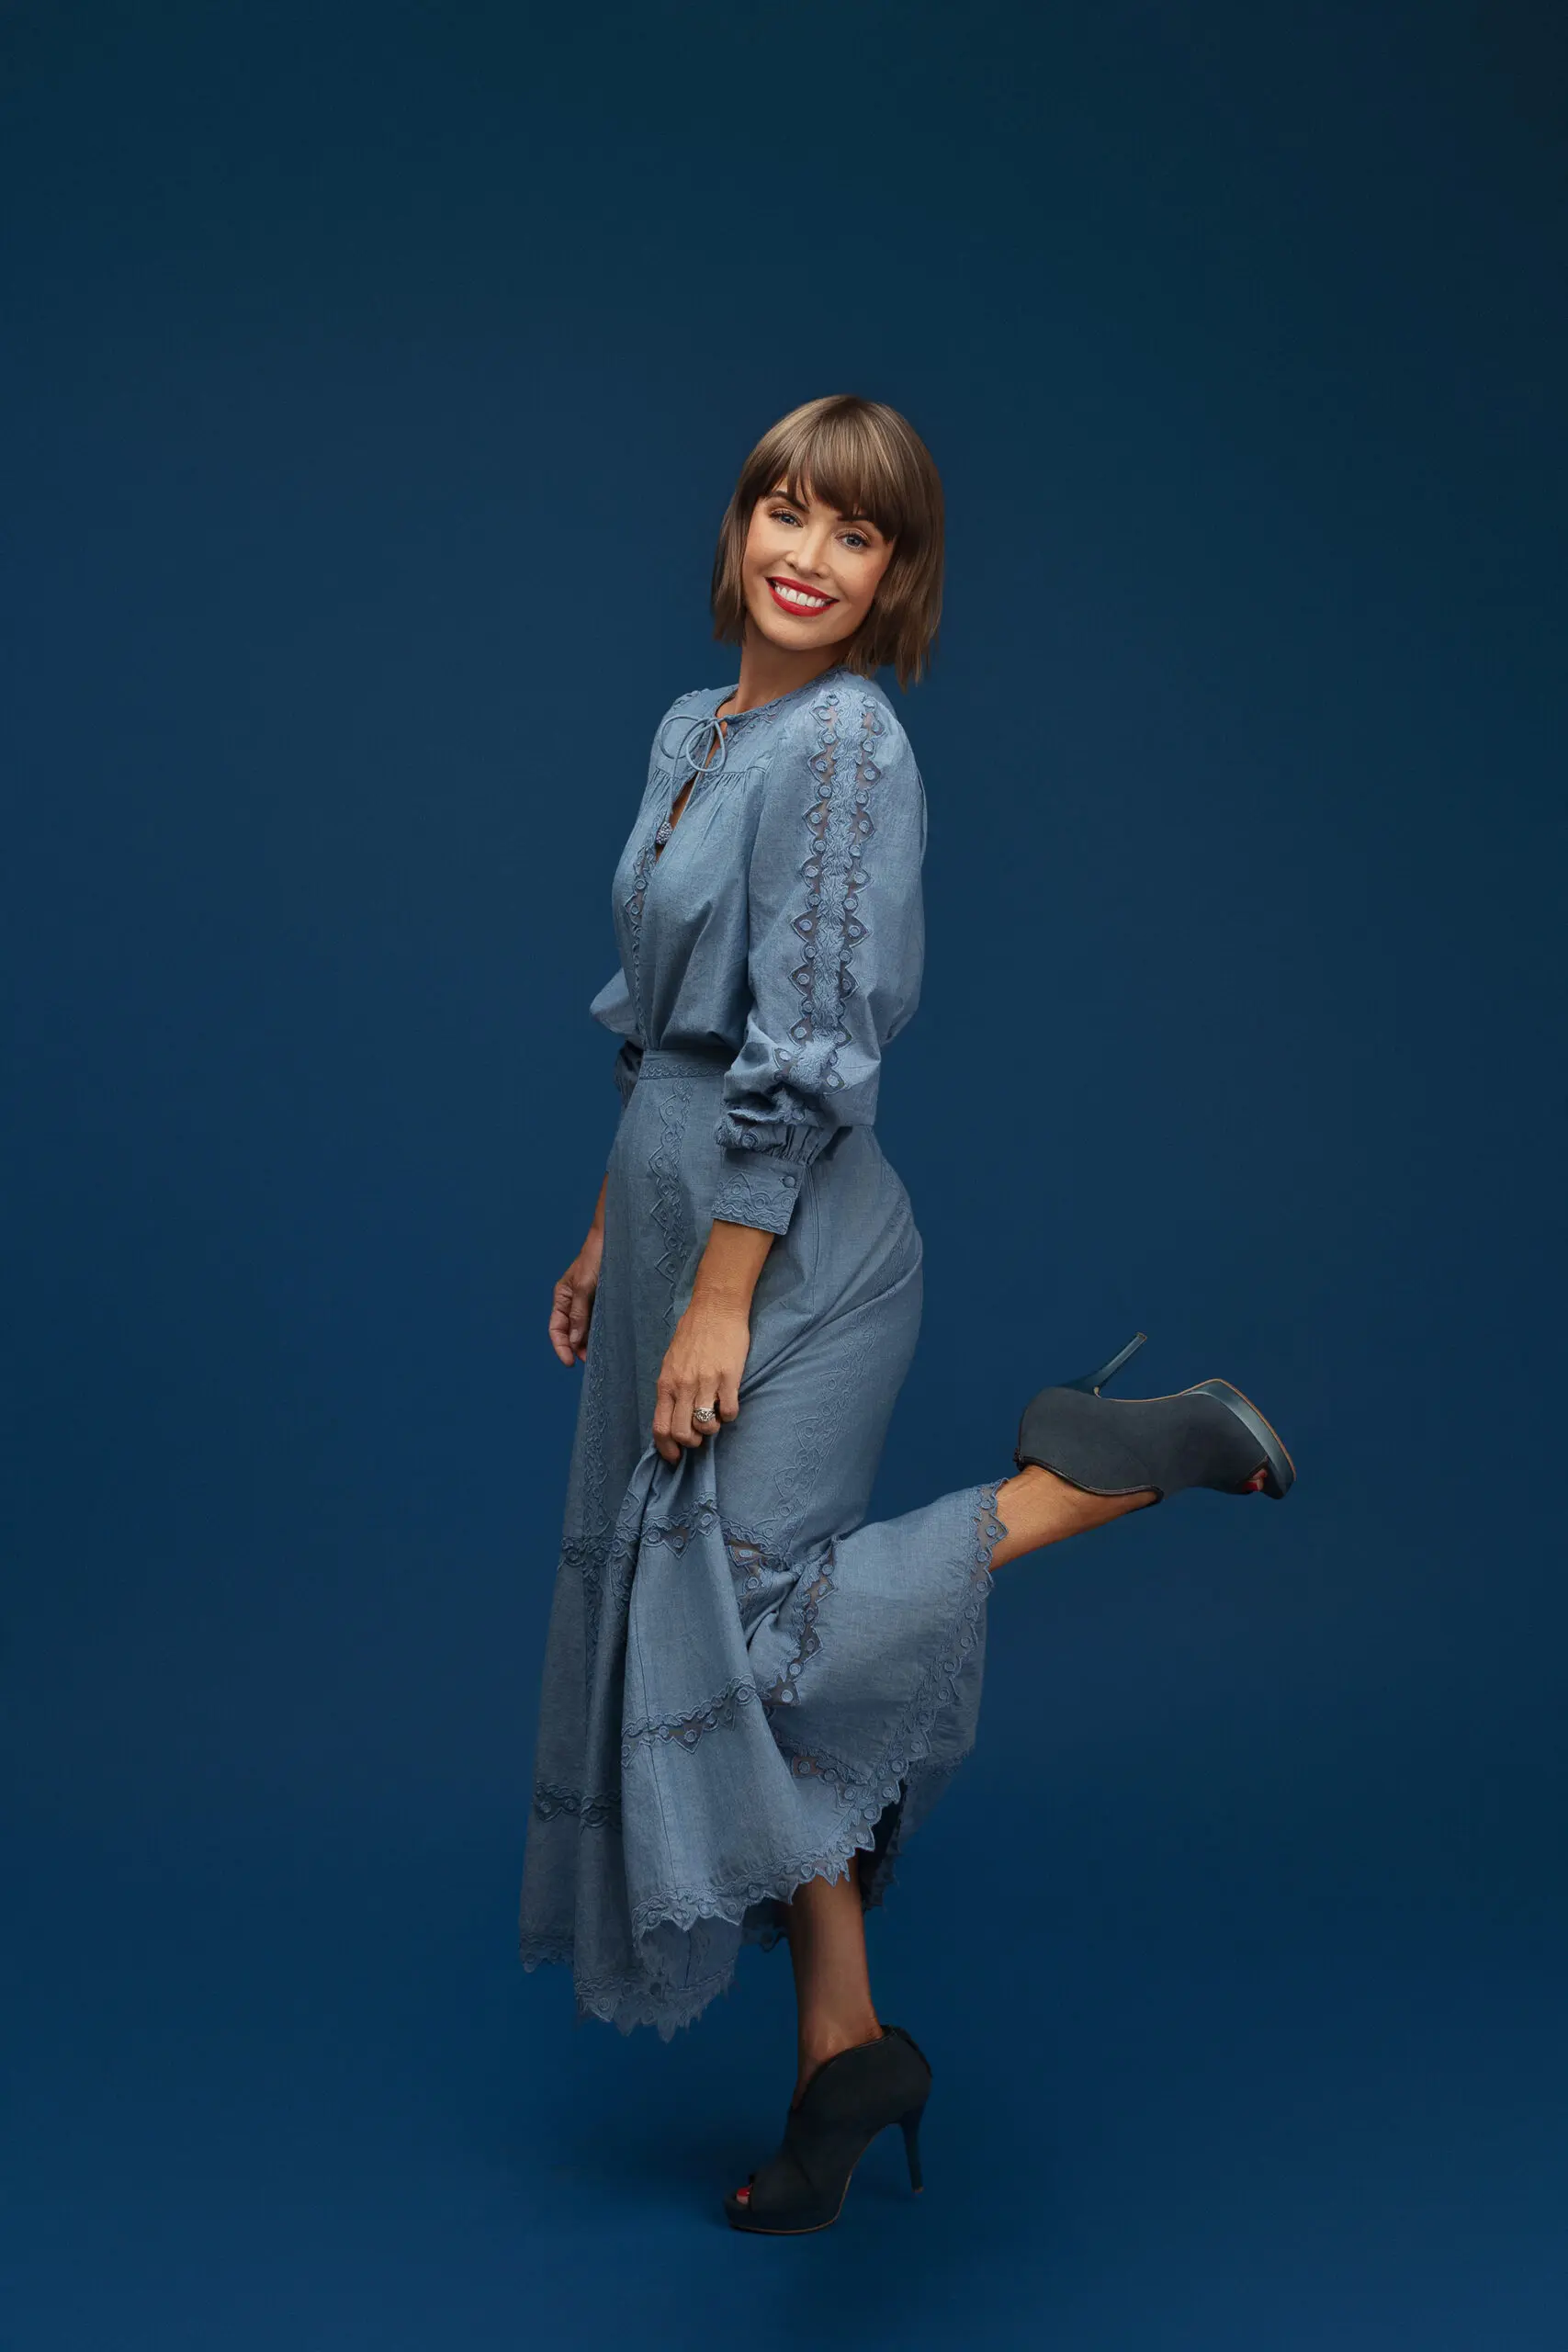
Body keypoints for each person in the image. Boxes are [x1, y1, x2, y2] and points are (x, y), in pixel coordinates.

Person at [518, 394, 1294, 2235]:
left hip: (787, 1247)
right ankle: (840, 2052)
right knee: (695, 1632)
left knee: (759, 1633)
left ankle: (1099, 1471)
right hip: (667, 1211)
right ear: (737, 529)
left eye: (850, 531)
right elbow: (662, 1029)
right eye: (781, 507)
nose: (805, 549)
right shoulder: (692, 727)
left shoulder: (851, 746)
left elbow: (810, 1045)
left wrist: (715, 1284)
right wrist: (601, 1231)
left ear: (894, 575)